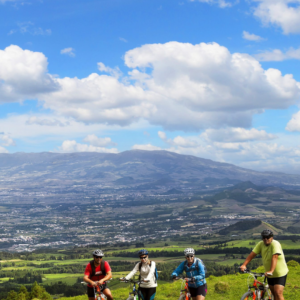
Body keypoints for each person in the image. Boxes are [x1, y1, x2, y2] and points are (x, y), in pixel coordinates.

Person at [240, 229, 288, 300]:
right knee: (274, 294)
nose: (265, 239)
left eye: (267, 237)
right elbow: (252, 254)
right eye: (263, 237)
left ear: (272, 238)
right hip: (269, 275)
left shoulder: (275, 244)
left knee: (278, 293)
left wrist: (271, 271)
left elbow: (275, 257)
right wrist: (244, 265)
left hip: (279, 274)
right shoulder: (260, 244)